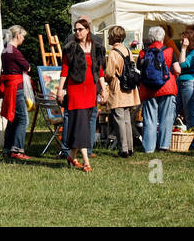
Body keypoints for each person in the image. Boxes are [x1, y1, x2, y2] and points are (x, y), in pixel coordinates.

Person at [57, 18, 106, 171]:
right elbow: (64, 70)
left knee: (83, 123)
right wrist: (60, 89)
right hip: (75, 90)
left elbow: (100, 70)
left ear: (87, 30)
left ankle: (71, 156)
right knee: (81, 124)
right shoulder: (70, 48)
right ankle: (86, 162)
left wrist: (103, 88)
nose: (77, 32)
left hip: (90, 90)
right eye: (75, 30)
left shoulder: (96, 48)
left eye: (80, 29)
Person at [138, 26, 178, 153]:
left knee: (150, 119)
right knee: (166, 117)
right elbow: (177, 69)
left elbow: (140, 69)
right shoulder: (169, 51)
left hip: (149, 89)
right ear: (162, 37)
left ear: (150, 37)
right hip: (167, 87)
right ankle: (163, 146)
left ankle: (149, 148)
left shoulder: (143, 53)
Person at [104, 25, 140, 156]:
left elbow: (109, 73)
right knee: (126, 120)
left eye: (109, 35)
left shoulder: (114, 53)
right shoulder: (128, 51)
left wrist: (106, 79)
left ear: (113, 37)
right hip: (129, 89)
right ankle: (130, 148)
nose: (108, 37)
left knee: (119, 120)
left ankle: (123, 149)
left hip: (118, 88)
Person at [0, 25, 31, 161]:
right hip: (16, 87)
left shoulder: (5, 50)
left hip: (9, 86)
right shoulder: (14, 52)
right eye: (23, 36)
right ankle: (17, 149)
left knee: (12, 119)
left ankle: (8, 148)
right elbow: (27, 67)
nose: (23, 39)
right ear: (17, 35)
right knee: (22, 118)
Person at [177, 29, 194, 149]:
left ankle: (192, 142)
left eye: (183, 39)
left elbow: (183, 65)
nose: (181, 41)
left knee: (190, 113)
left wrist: (183, 49)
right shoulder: (189, 52)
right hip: (182, 83)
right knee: (179, 110)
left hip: (189, 83)